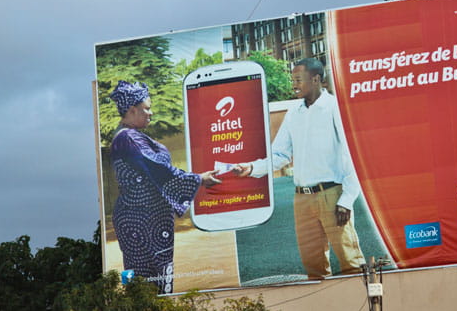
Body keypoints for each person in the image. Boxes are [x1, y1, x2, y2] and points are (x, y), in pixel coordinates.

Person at [236, 58, 365, 278]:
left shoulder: (335, 108)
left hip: (332, 196)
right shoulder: (293, 113)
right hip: (302, 201)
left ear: (315, 79)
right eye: (292, 79)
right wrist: (251, 167)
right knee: (313, 269)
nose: (293, 84)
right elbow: (280, 154)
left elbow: (354, 154)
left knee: (351, 264)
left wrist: (346, 199)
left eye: (298, 79)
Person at [109, 80, 221, 293]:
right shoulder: (129, 139)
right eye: (147, 109)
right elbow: (159, 168)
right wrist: (198, 179)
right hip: (142, 218)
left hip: (142, 216)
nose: (151, 113)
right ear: (132, 110)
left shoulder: (129, 136)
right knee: (153, 275)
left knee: (140, 274)